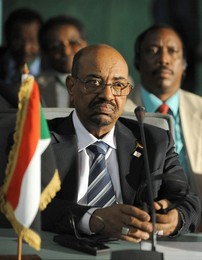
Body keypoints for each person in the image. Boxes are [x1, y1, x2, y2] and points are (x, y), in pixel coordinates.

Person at [42, 44, 201, 243]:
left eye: (118, 85)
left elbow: (188, 200)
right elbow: (21, 204)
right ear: (71, 87)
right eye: (94, 82)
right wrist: (93, 219)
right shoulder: (40, 139)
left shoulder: (154, 141)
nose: (107, 96)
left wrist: (175, 219)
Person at [124, 25, 202, 215]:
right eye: (152, 51)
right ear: (138, 62)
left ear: (184, 65)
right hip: (139, 218)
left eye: (172, 51)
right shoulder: (120, 113)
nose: (164, 60)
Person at [37, 15, 87, 107]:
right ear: (46, 52)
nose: (66, 52)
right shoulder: (35, 87)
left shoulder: (102, 84)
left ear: (85, 44)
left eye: (73, 43)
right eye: (56, 46)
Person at [0, 8, 43, 84]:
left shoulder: (52, 65)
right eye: (19, 40)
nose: (26, 48)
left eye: (33, 40)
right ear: (7, 37)